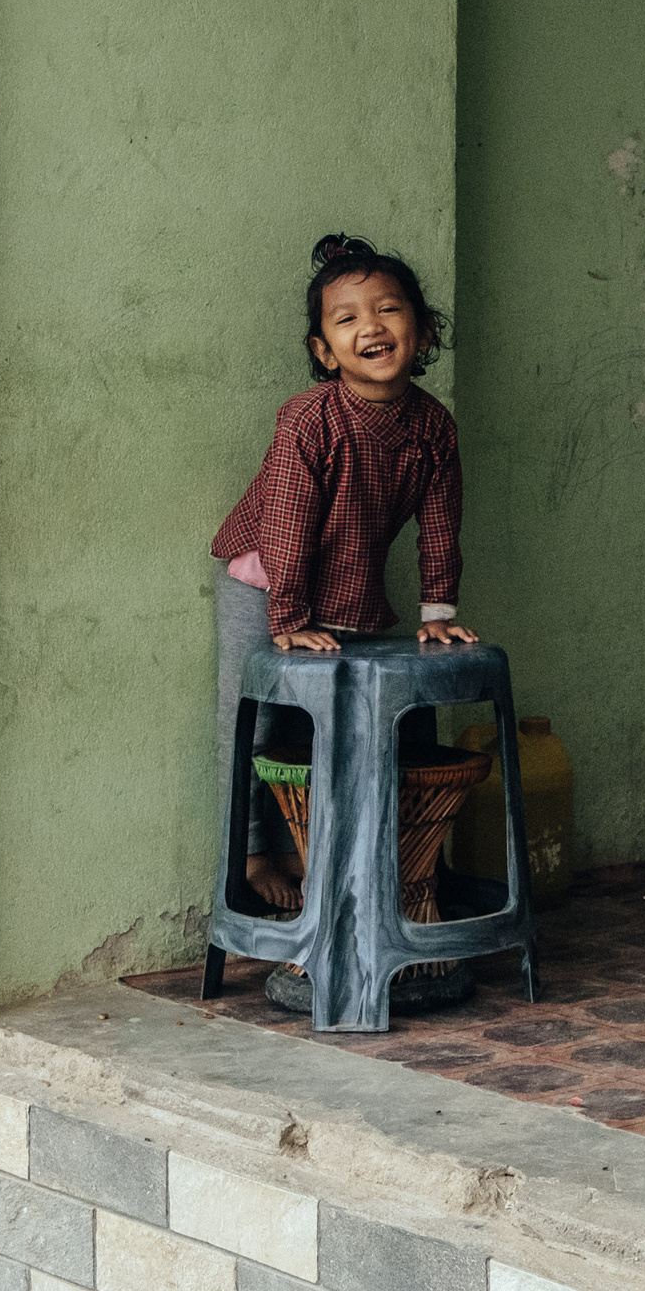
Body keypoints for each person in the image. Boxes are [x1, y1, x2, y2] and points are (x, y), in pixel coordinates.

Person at [209, 235, 478, 912]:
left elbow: (440, 523)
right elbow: (286, 525)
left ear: (424, 331)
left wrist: (438, 613)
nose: (371, 327)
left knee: (324, 725)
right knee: (256, 721)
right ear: (325, 351)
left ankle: (324, 854)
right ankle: (252, 855)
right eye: (348, 317)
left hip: (341, 586)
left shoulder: (433, 427)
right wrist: (287, 618)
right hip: (265, 582)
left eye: (388, 310)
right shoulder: (309, 419)